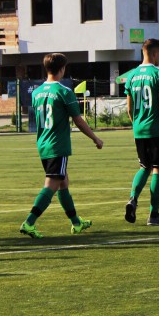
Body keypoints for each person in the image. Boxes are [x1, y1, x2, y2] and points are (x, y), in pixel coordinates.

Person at [19, 53, 104, 238]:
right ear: (62, 69)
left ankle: (76, 223)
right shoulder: (64, 91)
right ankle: (29, 222)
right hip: (57, 145)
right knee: (51, 184)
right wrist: (95, 138)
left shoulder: (37, 92)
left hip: (43, 144)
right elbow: (78, 120)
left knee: (63, 182)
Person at [124, 39, 159, 225]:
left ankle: (133, 198)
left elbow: (129, 109)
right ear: (154, 53)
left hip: (139, 130)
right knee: (158, 169)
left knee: (144, 167)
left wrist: (137, 125)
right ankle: (154, 214)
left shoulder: (131, 76)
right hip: (156, 129)